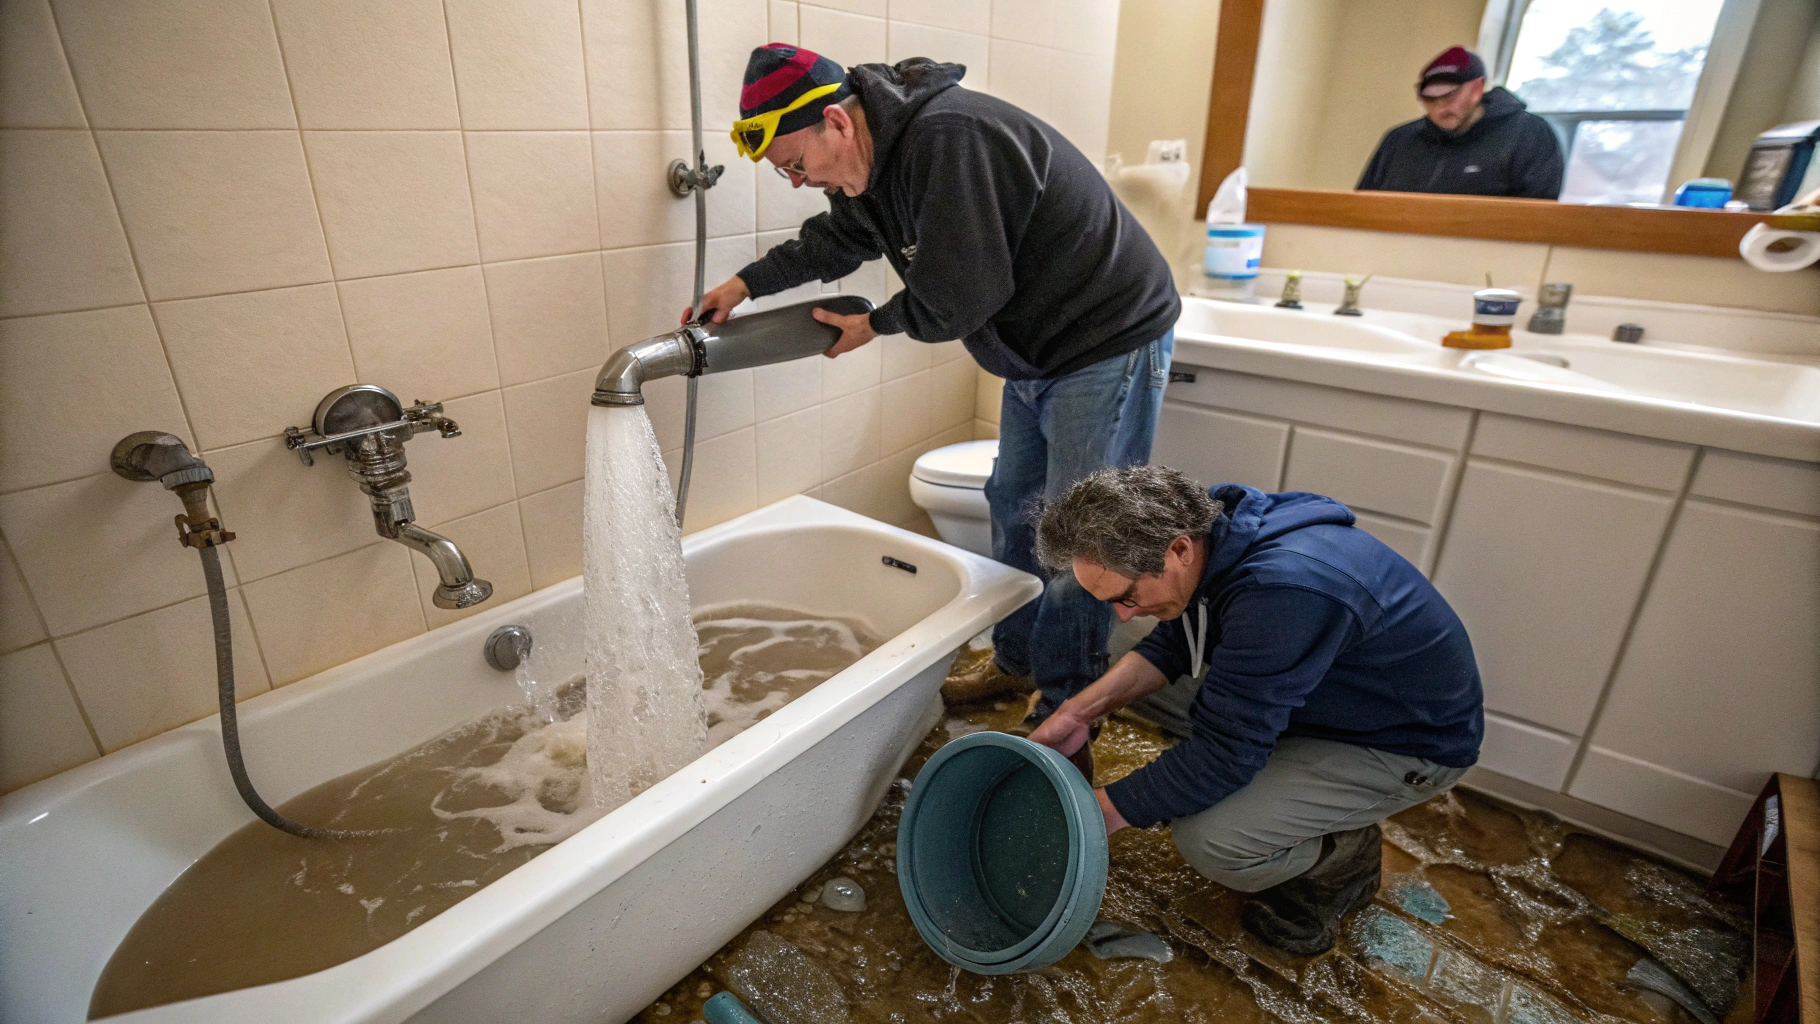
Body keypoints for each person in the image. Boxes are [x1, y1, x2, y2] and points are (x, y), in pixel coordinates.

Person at [692, 45, 1181, 721]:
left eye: (798, 165)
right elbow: (835, 243)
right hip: (1033, 351)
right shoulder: (877, 161)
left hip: (1106, 338)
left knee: (1082, 541)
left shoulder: (949, 142)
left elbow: (961, 296)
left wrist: (877, 323)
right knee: (1014, 505)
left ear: (836, 122)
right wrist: (744, 285)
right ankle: (1016, 667)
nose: (801, 182)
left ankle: (1066, 710)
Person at [1026, 466, 1484, 955]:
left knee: (1211, 840)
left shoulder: (1286, 589)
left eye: (1127, 595)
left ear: (1179, 549)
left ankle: (1342, 859)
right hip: (1315, 695)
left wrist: (1096, 813)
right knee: (1116, 652)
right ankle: (1266, 763)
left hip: (1398, 740)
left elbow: (1226, 755)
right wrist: (1077, 712)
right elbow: (1182, 638)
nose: (1123, 610)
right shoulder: (1215, 533)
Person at [1356, 46, 1563, 200]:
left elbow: (1536, 218)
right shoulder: (1400, 140)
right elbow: (1361, 206)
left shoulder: (1528, 134)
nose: (1440, 110)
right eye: (1429, 100)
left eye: (1449, 97)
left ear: (1476, 89)